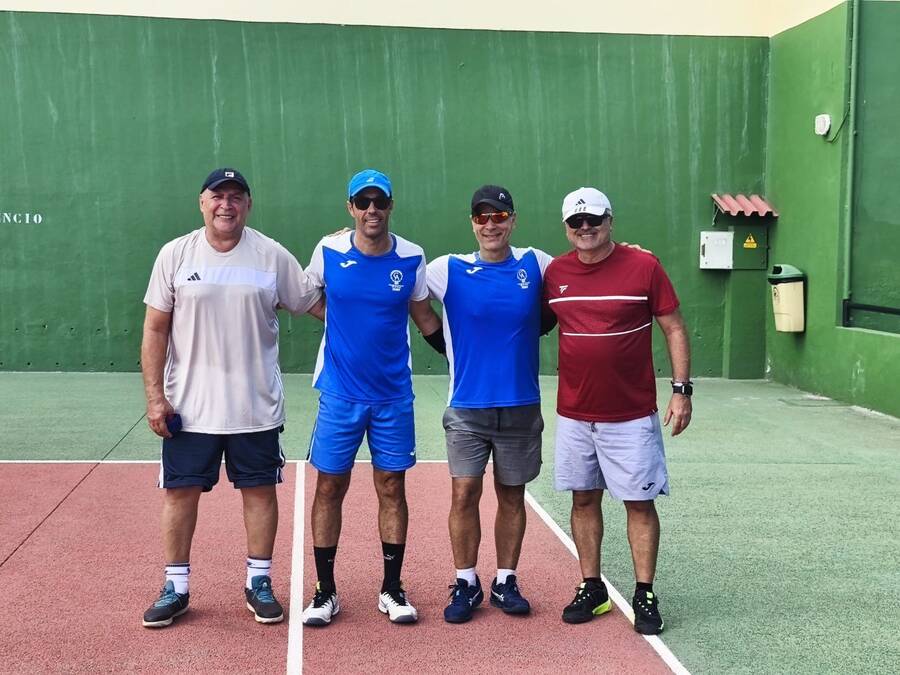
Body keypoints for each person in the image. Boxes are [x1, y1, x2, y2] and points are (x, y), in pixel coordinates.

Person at [140, 168, 324, 628]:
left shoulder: (271, 255)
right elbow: (155, 328)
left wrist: (347, 256)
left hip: (254, 407)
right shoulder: (175, 254)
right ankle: (176, 587)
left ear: (248, 205)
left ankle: (258, 583)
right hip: (189, 408)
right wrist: (155, 397)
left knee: (259, 493)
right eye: (217, 196)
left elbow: (315, 303)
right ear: (202, 202)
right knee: (180, 494)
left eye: (236, 196)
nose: (227, 204)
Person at [542, 187, 692, 634]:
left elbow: (674, 327)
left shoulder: (644, 266)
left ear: (610, 220)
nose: (585, 228)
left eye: (594, 220)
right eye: (576, 222)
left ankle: (645, 593)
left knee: (639, 503)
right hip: (574, 414)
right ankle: (593, 588)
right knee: (583, 499)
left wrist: (681, 390)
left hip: (631, 415)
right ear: (566, 227)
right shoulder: (555, 273)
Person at [300, 169, 442, 626]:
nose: (372, 210)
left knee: (392, 487)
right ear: (351, 208)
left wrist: (466, 355)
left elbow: (425, 317)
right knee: (329, 486)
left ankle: (392, 589)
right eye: (363, 202)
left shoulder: (412, 257)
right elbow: (303, 295)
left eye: (380, 202)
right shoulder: (328, 251)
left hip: (393, 397)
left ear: (390, 206)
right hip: (339, 394)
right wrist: (336, 319)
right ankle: (325, 592)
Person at [426, 185, 552, 623]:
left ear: (513, 220)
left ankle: (504, 580)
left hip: (521, 407)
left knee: (512, 495)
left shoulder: (536, 263)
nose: (490, 225)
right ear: (472, 223)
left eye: (499, 216)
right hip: (466, 409)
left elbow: (583, 269)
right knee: (464, 492)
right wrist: (443, 344)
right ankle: (465, 581)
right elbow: (403, 284)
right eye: (482, 217)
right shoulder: (447, 269)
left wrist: (625, 251)